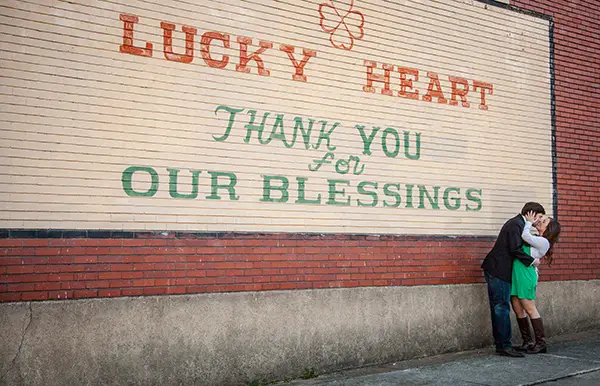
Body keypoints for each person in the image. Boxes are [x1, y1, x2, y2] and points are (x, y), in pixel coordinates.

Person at [481, 202, 545, 357]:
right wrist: (532, 261)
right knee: (501, 307)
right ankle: (504, 346)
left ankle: (503, 344)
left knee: (500, 307)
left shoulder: (520, 225)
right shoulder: (516, 224)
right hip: (498, 271)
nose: (539, 221)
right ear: (532, 214)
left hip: (501, 271)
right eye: (539, 217)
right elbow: (515, 249)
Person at [511, 211, 561, 354]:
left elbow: (524, 235)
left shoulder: (544, 241)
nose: (540, 221)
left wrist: (528, 222)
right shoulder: (537, 238)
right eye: (540, 218)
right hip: (517, 274)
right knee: (517, 307)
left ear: (549, 229)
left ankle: (541, 343)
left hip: (525, 275)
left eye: (543, 221)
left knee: (529, 308)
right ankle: (527, 341)